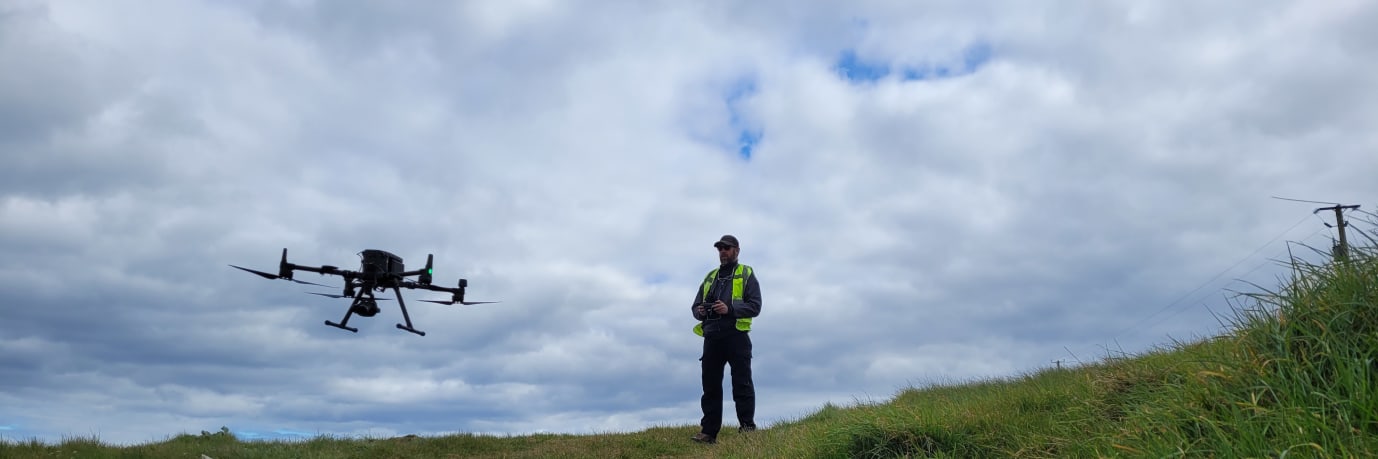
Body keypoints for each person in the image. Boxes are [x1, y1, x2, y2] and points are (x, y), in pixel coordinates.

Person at [690, 234, 762, 444]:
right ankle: (708, 432)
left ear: (737, 250)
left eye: (727, 248)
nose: (723, 252)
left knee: (742, 383)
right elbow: (694, 307)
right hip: (712, 336)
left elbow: (755, 306)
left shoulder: (746, 273)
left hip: (736, 336)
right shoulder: (710, 277)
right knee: (710, 386)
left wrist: (729, 309)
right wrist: (701, 311)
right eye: (720, 248)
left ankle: (747, 429)